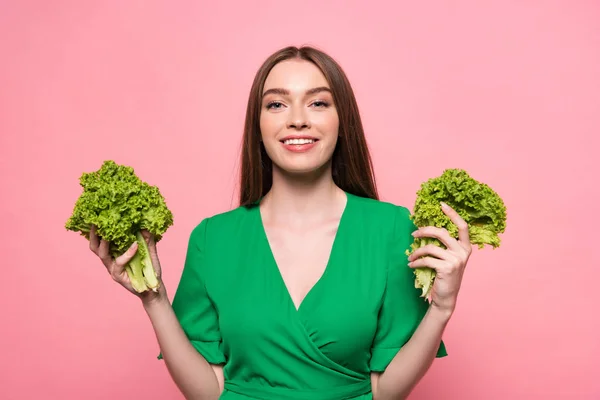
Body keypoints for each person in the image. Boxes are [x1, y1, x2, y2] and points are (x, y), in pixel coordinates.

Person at [89, 45, 472, 399]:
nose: (298, 120)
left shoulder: (390, 229)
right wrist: (153, 299)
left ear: (343, 121)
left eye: (318, 103)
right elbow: (210, 390)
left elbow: (384, 391)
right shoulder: (213, 239)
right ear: (257, 124)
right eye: (276, 105)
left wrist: (441, 308)